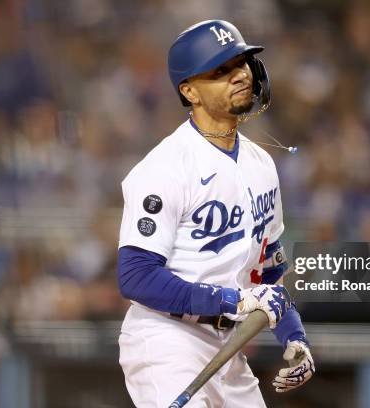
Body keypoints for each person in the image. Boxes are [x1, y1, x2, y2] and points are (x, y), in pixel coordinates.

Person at [117, 20, 314, 407]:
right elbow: (135, 277)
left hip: (229, 346)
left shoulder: (262, 165)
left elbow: (268, 274)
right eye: (219, 71)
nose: (238, 75)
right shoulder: (165, 167)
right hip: (167, 340)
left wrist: (294, 336)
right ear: (189, 91)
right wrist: (230, 302)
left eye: (240, 63)